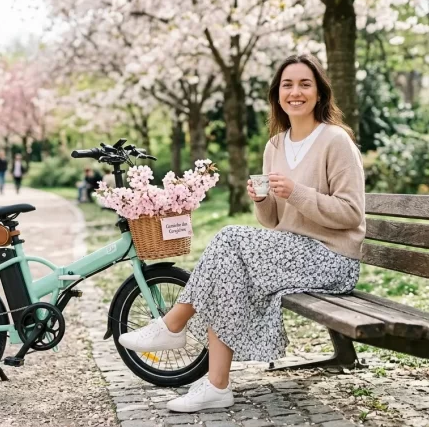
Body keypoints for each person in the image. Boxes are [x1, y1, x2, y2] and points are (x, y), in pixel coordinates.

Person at [118, 54, 366, 413]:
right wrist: (263, 200)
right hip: (292, 253)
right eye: (287, 84)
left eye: (304, 84)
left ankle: (173, 325)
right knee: (229, 268)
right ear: (276, 94)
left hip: (333, 260)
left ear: (320, 93)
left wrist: (296, 191)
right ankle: (217, 384)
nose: (295, 92)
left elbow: (352, 213)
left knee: (230, 238)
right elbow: (272, 223)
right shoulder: (275, 145)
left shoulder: (336, 141)